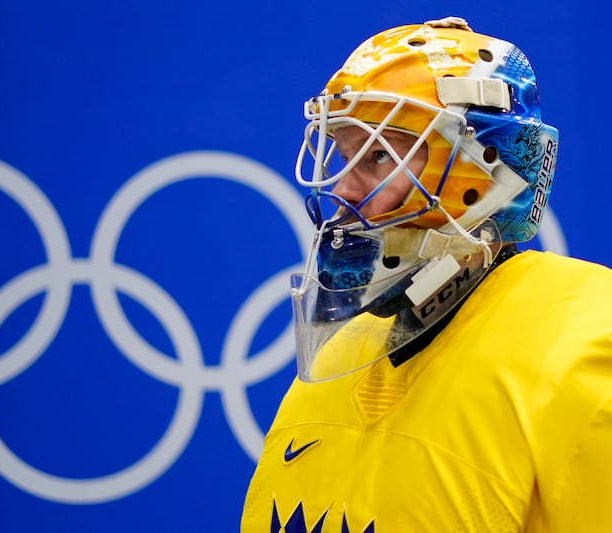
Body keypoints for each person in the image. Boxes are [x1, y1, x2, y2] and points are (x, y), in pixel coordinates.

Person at [241, 16, 612, 532]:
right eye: (342, 154)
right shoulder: (346, 352)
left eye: (377, 155)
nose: (344, 189)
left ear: (479, 170)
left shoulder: (587, 343)